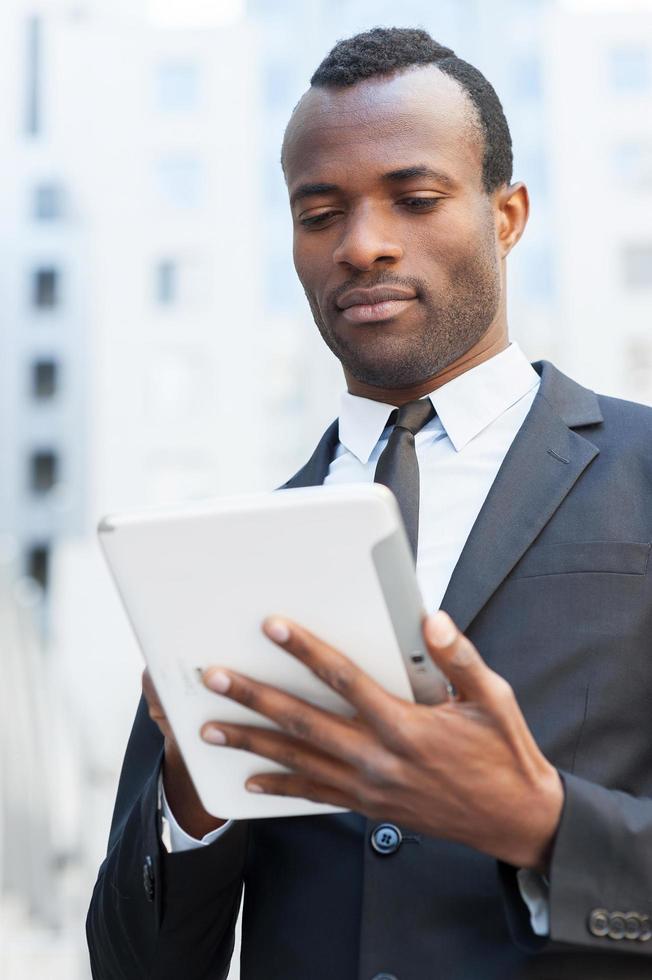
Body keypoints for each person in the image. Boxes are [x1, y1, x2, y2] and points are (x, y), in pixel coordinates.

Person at [87, 27, 652, 980]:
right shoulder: (225, 560)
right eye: (319, 215)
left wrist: (545, 824)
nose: (363, 245)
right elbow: (134, 964)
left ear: (506, 215)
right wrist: (195, 799)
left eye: (415, 198)